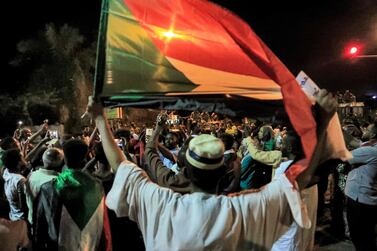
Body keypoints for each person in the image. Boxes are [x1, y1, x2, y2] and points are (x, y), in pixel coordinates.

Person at [86, 89, 337, 250]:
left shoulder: (160, 202)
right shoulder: (241, 208)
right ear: (223, 173)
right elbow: (299, 179)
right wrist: (323, 122)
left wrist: (99, 118)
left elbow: (120, 165)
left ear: (184, 169)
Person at [34, 139, 111, 250]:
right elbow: (104, 227)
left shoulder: (49, 188)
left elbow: (40, 228)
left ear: (64, 159)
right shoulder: (97, 187)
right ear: (85, 158)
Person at [344, 121, 377, 251]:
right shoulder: (371, 147)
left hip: (360, 201)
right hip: (368, 199)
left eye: (367, 130)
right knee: (367, 236)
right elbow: (353, 141)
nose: (364, 132)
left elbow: (344, 155)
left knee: (360, 237)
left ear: (374, 134)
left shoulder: (371, 151)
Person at [25, 147, 63, 224]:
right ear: (62, 163)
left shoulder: (31, 175)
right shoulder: (57, 182)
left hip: (31, 219)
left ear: (43, 160)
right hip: (46, 225)